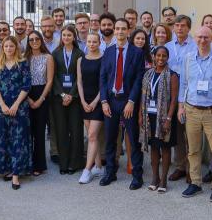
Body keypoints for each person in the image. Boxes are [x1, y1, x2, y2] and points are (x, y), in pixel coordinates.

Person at [177, 25, 212, 201]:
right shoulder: (188, 58)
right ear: (195, 38)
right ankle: (196, 182)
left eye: (206, 37)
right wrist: (180, 106)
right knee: (193, 150)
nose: (202, 40)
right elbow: (184, 83)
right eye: (199, 37)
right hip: (191, 110)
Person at [98, 17, 146, 189]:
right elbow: (103, 79)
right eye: (117, 28)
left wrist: (132, 101)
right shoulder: (108, 52)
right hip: (111, 101)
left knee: (133, 140)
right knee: (110, 139)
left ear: (128, 31)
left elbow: (139, 79)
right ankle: (110, 173)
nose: (119, 31)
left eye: (123, 29)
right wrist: (103, 101)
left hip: (128, 102)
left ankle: (137, 176)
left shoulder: (137, 53)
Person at [0, 36, 32, 190]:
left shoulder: (22, 64)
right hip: (2, 108)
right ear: (3, 48)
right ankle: (7, 168)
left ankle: (16, 174)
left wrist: (16, 105)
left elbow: (26, 86)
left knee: (18, 140)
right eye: (6, 46)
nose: (9, 49)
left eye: (11, 46)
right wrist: (2, 105)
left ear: (16, 47)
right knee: (4, 139)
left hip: (19, 108)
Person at [140, 46, 178, 192]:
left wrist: (168, 118)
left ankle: (163, 180)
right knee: (154, 147)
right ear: (153, 56)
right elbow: (142, 96)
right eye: (158, 55)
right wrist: (140, 116)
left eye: (164, 56)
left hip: (165, 117)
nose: (161, 58)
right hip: (149, 116)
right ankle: (154, 177)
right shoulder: (148, 74)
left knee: (165, 147)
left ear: (167, 58)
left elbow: (174, 99)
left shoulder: (172, 75)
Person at [51, 25, 84, 175]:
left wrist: (71, 94)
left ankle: (75, 163)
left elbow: (80, 77)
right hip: (59, 98)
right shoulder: (55, 53)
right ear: (61, 37)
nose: (66, 38)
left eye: (69, 35)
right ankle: (63, 164)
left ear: (74, 37)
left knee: (76, 130)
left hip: (75, 98)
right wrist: (63, 95)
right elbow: (54, 77)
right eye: (64, 35)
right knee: (61, 130)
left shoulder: (80, 53)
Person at [25, 30, 55, 175]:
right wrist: (29, 99)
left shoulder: (48, 57)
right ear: (28, 42)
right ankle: (27, 162)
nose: (34, 41)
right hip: (27, 95)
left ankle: (39, 165)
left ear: (41, 40)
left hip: (42, 94)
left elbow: (49, 81)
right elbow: (22, 81)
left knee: (39, 131)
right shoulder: (25, 58)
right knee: (28, 131)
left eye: (37, 39)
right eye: (31, 40)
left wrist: (41, 99)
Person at [76, 32, 104, 183]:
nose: (92, 44)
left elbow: (104, 83)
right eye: (89, 41)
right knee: (92, 137)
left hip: (98, 101)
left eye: (94, 42)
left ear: (99, 43)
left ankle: (87, 170)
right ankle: (99, 167)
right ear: (85, 43)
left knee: (92, 135)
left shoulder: (104, 59)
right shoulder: (81, 60)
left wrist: (95, 102)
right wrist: (82, 100)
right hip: (84, 101)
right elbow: (79, 82)